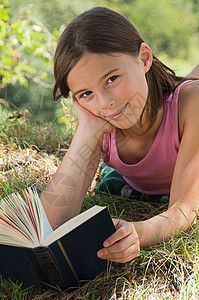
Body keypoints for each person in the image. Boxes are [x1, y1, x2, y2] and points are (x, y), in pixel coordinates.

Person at [41, 6, 199, 263]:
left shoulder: (191, 105)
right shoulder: (99, 120)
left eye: (112, 78)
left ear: (144, 58)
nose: (105, 103)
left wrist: (138, 231)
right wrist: (88, 130)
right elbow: (49, 223)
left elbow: (183, 211)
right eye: (86, 94)